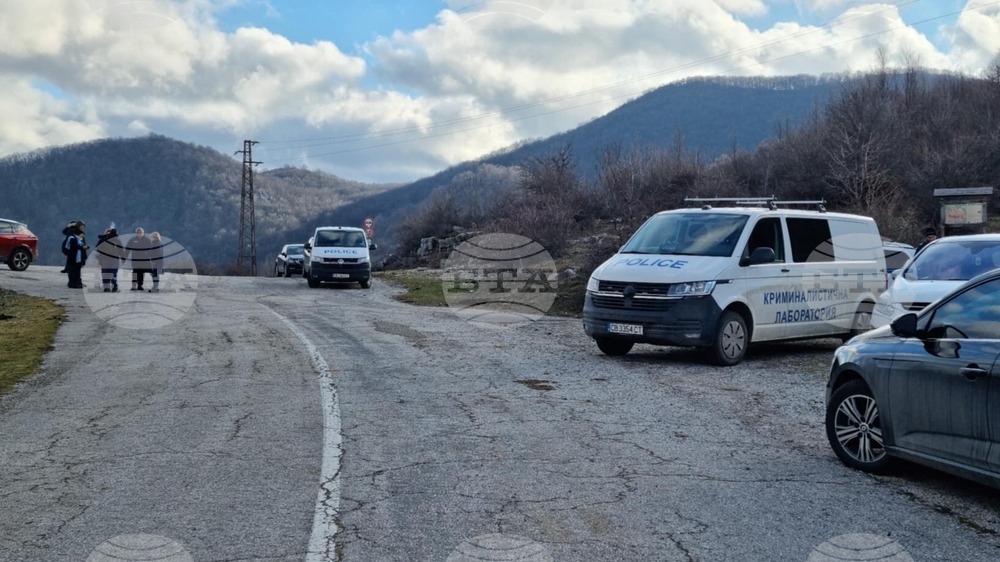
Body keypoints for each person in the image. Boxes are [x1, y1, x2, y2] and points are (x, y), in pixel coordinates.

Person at [96, 226, 126, 292]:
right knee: (112, 273)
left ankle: (108, 287)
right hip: (112, 259)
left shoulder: (103, 239)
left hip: (107, 259)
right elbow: (121, 250)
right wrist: (123, 259)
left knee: (106, 273)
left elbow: (98, 249)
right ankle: (113, 286)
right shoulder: (117, 240)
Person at [63, 221, 89, 289]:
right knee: (73, 269)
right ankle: (72, 283)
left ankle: (77, 283)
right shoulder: (72, 234)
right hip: (73, 255)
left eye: (83, 227)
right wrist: (82, 246)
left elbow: (81, 243)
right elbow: (73, 244)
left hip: (79, 255)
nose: (82, 228)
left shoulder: (80, 235)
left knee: (77, 270)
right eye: (81, 227)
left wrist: (84, 253)